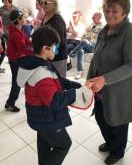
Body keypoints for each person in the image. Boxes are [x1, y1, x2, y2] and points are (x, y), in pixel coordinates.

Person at [86, 0, 132, 164]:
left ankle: (118, 151)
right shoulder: (105, 30)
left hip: (121, 92)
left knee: (117, 122)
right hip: (100, 89)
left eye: (114, 11)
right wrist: (90, 79)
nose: (109, 14)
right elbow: (97, 58)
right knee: (101, 117)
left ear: (124, 12)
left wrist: (105, 79)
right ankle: (110, 142)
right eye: (107, 10)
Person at [16, 26, 82, 165]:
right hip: (47, 119)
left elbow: (58, 80)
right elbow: (54, 101)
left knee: (44, 143)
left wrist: (77, 85)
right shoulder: (41, 72)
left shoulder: (39, 63)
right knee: (63, 145)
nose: (57, 51)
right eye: (55, 47)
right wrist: (76, 94)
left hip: (40, 118)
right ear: (46, 49)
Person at [5, 9, 34, 112]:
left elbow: (27, 41)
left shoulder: (20, 30)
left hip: (17, 58)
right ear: (18, 20)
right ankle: (10, 104)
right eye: (23, 17)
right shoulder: (15, 34)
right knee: (16, 83)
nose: (25, 19)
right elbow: (22, 49)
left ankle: (11, 102)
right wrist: (34, 53)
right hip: (15, 60)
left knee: (18, 80)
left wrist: (35, 45)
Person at [69, 12, 103, 79]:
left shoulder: (102, 28)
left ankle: (72, 54)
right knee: (80, 51)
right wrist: (82, 39)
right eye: (92, 17)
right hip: (86, 44)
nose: (92, 18)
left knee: (84, 42)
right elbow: (84, 35)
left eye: (94, 17)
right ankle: (80, 72)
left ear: (99, 18)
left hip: (94, 46)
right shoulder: (90, 26)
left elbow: (102, 40)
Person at [41, 0, 68, 77]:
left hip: (57, 58)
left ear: (54, 4)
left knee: (59, 83)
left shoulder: (57, 20)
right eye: (42, 2)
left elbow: (58, 42)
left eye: (46, 3)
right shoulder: (46, 16)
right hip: (48, 55)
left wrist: (50, 56)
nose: (43, 5)